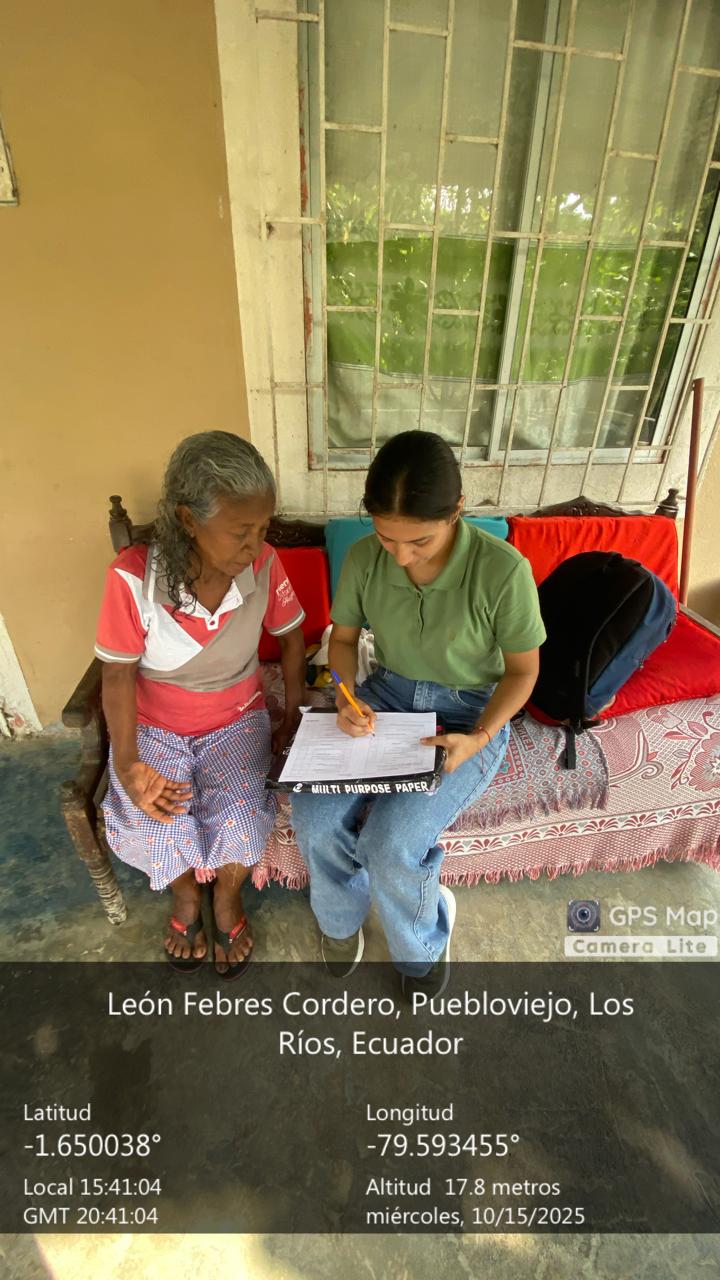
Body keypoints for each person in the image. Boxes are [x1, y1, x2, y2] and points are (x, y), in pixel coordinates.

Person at [291, 430, 546, 997]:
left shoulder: (503, 572)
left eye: (420, 541)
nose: (402, 556)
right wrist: (346, 696)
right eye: (388, 538)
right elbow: (342, 641)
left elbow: (523, 673)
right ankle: (340, 920)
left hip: (469, 711)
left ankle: (421, 947)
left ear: (457, 510)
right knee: (313, 815)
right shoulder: (364, 558)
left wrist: (479, 737)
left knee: (392, 843)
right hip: (387, 694)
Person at [95, 431, 306, 975]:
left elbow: (291, 640)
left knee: (240, 814)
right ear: (188, 520)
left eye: (262, 529)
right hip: (154, 725)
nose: (254, 546)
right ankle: (187, 895)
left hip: (236, 719)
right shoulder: (133, 577)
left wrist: (290, 720)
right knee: (158, 814)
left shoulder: (264, 566)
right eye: (240, 531)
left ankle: (227, 897)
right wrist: (127, 762)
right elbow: (117, 674)